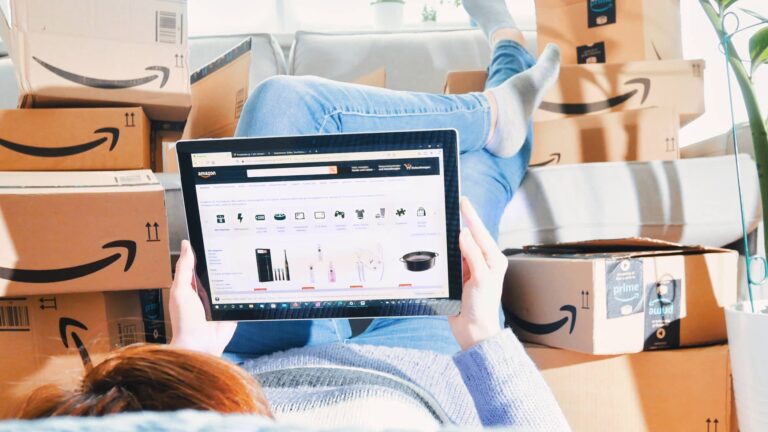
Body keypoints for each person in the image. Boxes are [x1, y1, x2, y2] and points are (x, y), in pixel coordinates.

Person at [19, 0, 570, 429]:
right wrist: (484, 337)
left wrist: (191, 357)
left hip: (242, 371)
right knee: (471, 184)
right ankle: (504, 59)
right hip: (416, 373)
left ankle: (493, 109)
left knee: (284, 102)